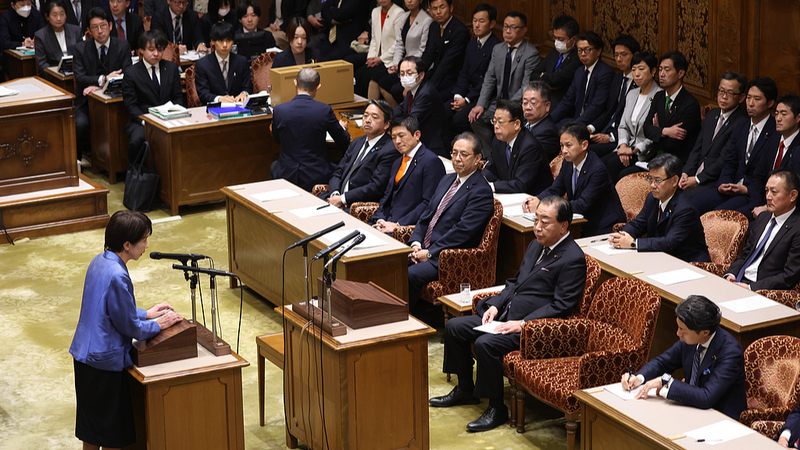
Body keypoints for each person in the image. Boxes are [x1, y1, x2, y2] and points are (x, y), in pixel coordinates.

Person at [431, 195, 586, 432]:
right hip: (505, 315)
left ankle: (497, 408)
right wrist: (495, 306)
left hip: (534, 328)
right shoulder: (536, 245)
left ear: (564, 225)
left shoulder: (572, 258)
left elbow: (561, 306)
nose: (537, 227)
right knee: (454, 327)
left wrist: (522, 324)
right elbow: (515, 283)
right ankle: (465, 389)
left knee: (485, 343)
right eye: (536, 220)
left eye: (545, 222)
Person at [69, 210, 184, 450]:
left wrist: (146, 313)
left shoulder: (99, 260)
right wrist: (159, 324)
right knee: (112, 435)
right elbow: (129, 327)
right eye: (143, 240)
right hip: (104, 363)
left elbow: (106, 307)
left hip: (84, 357)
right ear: (127, 244)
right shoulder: (118, 275)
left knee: (92, 431)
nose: (147, 245)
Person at [622, 295, 746, 421]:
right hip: (689, 408)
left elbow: (706, 397)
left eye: (683, 330)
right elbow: (663, 362)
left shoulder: (730, 352)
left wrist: (666, 382)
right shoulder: (689, 340)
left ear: (705, 332)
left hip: (719, 418)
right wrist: (639, 377)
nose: (678, 333)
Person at [406, 132, 493, 309]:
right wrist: (415, 242)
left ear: (477, 159)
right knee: (387, 263)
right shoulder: (447, 179)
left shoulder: (480, 192)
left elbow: (462, 232)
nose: (457, 159)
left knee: (408, 274)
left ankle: (406, 320)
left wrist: (429, 253)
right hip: (425, 248)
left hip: (448, 258)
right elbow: (427, 215)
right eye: (454, 153)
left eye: (464, 154)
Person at [691, 77, 778, 215]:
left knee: (717, 216)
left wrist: (747, 188)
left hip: (752, 193)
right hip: (731, 186)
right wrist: (723, 183)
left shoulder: (775, 132)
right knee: (691, 205)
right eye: (749, 98)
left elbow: (770, 172)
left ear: (770, 103)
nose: (750, 103)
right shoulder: (742, 125)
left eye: (757, 99)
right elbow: (730, 160)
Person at [524, 123, 625, 236]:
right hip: (582, 221)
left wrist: (544, 206)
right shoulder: (568, 163)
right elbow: (555, 189)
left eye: (568, 145)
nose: (564, 151)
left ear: (584, 145)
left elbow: (582, 204)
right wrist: (536, 200)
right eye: (562, 146)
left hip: (604, 226)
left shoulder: (597, 169)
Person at [609, 153, 710, 262]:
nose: (652, 185)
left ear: (674, 181)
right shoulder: (653, 198)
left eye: (658, 180)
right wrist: (623, 236)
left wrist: (634, 244)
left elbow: (669, 243)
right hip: (661, 257)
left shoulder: (685, 209)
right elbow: (639, 223)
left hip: (689, 264)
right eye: (651, 179)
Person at [271, 67, 351, 191]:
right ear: (318, 87)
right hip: (316, 175)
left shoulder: (279, 110)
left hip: (285, 173)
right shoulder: (324, 110)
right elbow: (343, 141)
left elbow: (277, 139)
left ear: (295, 83)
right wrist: (342, 129)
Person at [469, 11, 540, 151]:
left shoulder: (531, 54)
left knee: (505, 123)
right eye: (505, 26)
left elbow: (526, 86)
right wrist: (481, 104)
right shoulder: (498, 49)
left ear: (524, 30)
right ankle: (492, 154)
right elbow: (489, 79)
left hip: (518, 105)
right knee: (475, 117)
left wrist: (508, 107)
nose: (507, 31)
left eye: (513, 28)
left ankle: (502, 152)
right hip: (499, 102)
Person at [722, 169, 800, 291]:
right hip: (739, 281)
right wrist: (732, 274)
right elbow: (745, 254)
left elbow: (789, 276)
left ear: (793, 195)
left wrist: (751, 287)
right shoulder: (763, 217)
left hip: (762, 289)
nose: (768, 197)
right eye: (766, 191)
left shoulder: (797, 228)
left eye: (774, 192)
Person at [73, 7, 132, 161]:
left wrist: (101, 85)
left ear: (110, 26)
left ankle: (120, 159)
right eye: (95, 27)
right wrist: (103, 79)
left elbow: (128, 74)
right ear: (89, 31)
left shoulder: (123, 46)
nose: (100, 31)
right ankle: (78, 160)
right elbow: (80, 78)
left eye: (103, 25)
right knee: (80, 124)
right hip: (86, 101)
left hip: (116, 100)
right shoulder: (80, 49)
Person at [679, 72, 748, 198]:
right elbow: (697, 148)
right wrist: (686, 173)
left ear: (742, 97)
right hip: (694, 175)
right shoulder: (712, 114)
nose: (723, 97)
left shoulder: (741, 123)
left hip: (713, 181)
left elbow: (724, 160)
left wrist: (697, 179)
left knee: (683, 200)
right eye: (721, 91)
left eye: (730, 93)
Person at [372, 116, 446, 233]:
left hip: (406, 229)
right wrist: (380, 219)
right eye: (393, 137)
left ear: (417, 135)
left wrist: (398, 225)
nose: (397, 141)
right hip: (387, 224)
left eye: (401, 136)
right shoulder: (397, 162)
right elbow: (387, 196)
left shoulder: (431, 161)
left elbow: (429, 204)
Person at [322, 100, 399, 209]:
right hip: (335, 199)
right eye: (365, 116)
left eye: (374, 117)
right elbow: (338, 172)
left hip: (356, 206)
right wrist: (335, 194)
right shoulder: (357, 142)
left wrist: (343, 199)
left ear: (387, 124)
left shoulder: (390, 149)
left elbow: (375, 187)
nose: (367, 120)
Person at [601, 51, 663, 183]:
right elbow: (622, 125)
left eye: (641, 69)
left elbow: (654, 134)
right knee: (600, 164)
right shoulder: (632, 94)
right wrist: (623, 146)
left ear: (653, 71)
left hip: (644, 153)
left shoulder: (659, 96)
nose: (637, 74)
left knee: (613, 166)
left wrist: (632, 150)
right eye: (634, 69)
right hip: (625, 148)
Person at [122, 30, 182, 162]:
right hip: (142, 119)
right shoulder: (131, 73)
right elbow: (131, 105)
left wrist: (175, 115)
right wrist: (146, 122)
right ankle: (137, 173)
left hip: (169, 117)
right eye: (151, 49)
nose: (156, 54)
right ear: (142, 50)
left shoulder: (171, 68)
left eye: (160, 50)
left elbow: (178, 97)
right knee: (137, 140)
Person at [635, 51, 701, 173]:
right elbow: (646, 129)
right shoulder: (659, 97)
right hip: (654, 158)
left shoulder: (690, 104)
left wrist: (657, 132)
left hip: (676, 163)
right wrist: (666, 131)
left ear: (680, 73)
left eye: (667, 70)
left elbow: (674, 143)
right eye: (660, 69)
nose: (661, 74)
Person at [447, 3, 501, 135]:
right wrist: (459, 95)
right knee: (443, 111)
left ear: (492, 24)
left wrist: (466, 100)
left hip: (481, 97)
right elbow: (464, 73)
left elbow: (489, 81)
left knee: (458, 120)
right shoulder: (471, 44)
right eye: (475, 21)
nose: (476, 25)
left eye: (481, 21)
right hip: (466, 93)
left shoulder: (497, 47)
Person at [586, 34, 641, 158]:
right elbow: (609, 111)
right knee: (575, 142)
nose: (619, 59)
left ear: (635, 55)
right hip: (605, 129)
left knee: (585, 151)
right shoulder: (617, 78)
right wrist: (591, 128)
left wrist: (611, 137)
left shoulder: (640, 84)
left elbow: (634, 123)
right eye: (616, 55)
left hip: (622, 139)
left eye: (624, 54)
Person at [483, 99, 551, 194]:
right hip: (510, 195)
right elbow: (491, 168)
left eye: (500, 122)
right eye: (494, 121)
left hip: (533, 199)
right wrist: (481, 181)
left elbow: (521, 184)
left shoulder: (530, 147)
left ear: (517, 124)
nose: (496, 126)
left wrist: (491, 186)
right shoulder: (498, 140)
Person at [371, 0, 432, 106]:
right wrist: (397, 65)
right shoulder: (404, 17)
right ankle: (370, 114)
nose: (409, 0)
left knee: (386, 84)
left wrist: (404, 69)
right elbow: (399, 45)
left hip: (415, 67)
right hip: (403, 64)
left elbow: (422, 51)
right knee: (376, 79)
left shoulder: (427, 20)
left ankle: (397, 116)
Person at [550, 31, 614, 129]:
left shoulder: (605, 72)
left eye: (587, 50)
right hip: (575, 119)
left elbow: (597, 106)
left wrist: (574, 126)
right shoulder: (579, 72)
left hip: (592, 124)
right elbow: (567, 101)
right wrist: (548, 120)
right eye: (580, 50)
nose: (583, 54)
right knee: (546, 129)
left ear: (598, 51)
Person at [750, 94, 800, 219]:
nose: (778, 118)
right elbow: (758, 176)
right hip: (760, 202)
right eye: (776, 113)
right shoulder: (773, 138)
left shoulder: (798, 148)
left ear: (798, 118)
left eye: (784, 114)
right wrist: (758, 204)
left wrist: (767, 209)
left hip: (785, 211)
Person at [392, 55, 449, 156]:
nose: (405, 77)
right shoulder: (414, 89)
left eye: (409, 73)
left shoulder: (426, 93)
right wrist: (383, 115)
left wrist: (387, 123)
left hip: (432, 146)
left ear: (421, 75)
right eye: (402, 74)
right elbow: (401, 108)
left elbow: (412, 120)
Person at [350, 0, 403, 97]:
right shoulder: (375, 11)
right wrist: (370, 58)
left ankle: (370, 107)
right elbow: (374, 38)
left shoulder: (398, 12)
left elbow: (398, 42)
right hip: (376, 56)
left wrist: (380, 59)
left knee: (368, 76)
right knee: (359, 73)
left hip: (389, 59)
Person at [418, 0, 468, 102]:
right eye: (434, 8)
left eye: (442, 7)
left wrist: (428, 88)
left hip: (452, 80)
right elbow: (428, 55)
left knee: (425, 98)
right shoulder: (434, 26)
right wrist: (415, 75)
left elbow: (446, 64)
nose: (438, 12)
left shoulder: (459, 30)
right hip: (436, 74)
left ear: (451, 8)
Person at [194, 22, 252, 104]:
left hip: (238, 107)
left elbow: (248, 87)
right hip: (214, 109)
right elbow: (203, 94)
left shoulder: (241, 62)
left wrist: (244, 93)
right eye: (221, 41)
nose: (225, 45)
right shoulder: (202, 65)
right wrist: (219, 99)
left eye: (228, 40)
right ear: (212, 42)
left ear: (232, 42)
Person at [532, 14, 580, 110]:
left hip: (560, 105)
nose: (557, 42)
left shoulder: (577, 58)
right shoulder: (554, 53)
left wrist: (544, 76)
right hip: (541, 99)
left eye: (561, 39)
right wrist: (548, 83)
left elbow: (559, 79)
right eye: (555, 38)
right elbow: (534, 74)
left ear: (573, 40)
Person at [0, 0, 47, 78]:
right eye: (22, 4)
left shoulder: (36, 15)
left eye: (28, 4)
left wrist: (36, 41)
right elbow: (3, 42)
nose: (26, 7)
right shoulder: (5, 18)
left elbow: (44, 35)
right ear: (13, 5)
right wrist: (22, 44)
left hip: (36, 58)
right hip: (12, 61)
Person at [34, 0, 82, 73]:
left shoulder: (76, 30)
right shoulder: (41, 36)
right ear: (47, 16)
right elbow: (42, 64)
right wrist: (56, 73)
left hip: (76, 72)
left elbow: (82, 56)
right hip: (54, 74)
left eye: (62, 14)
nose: (59, 18)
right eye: (54, 15)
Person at [520, 80, 560, 161]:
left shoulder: (548, 132)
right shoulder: (521, 123)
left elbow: (527, 159)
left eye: (533, 103)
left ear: (547, 106)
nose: (528, 107)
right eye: (525, 102)